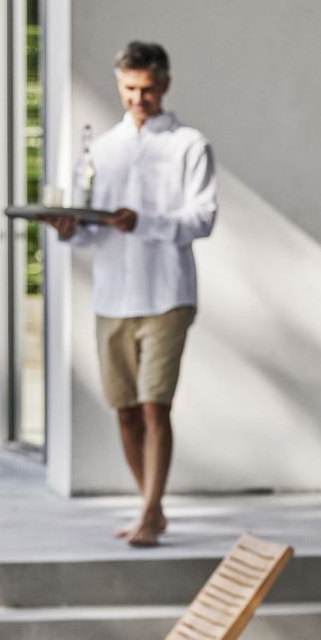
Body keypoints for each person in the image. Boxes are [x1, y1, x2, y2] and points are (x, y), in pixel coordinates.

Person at [47, 41, 216, 547]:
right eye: (128, 90)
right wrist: (68, 230)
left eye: (146, 89)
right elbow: (91, 234)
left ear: (164, 84)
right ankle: (151, 505)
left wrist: (144, 222)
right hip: (112, 296)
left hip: (167, 294)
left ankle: (150, 510)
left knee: (154, 405)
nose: (137, 99)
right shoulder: (101, 150)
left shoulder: (190, 145)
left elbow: (202, 219)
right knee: (124, 408)